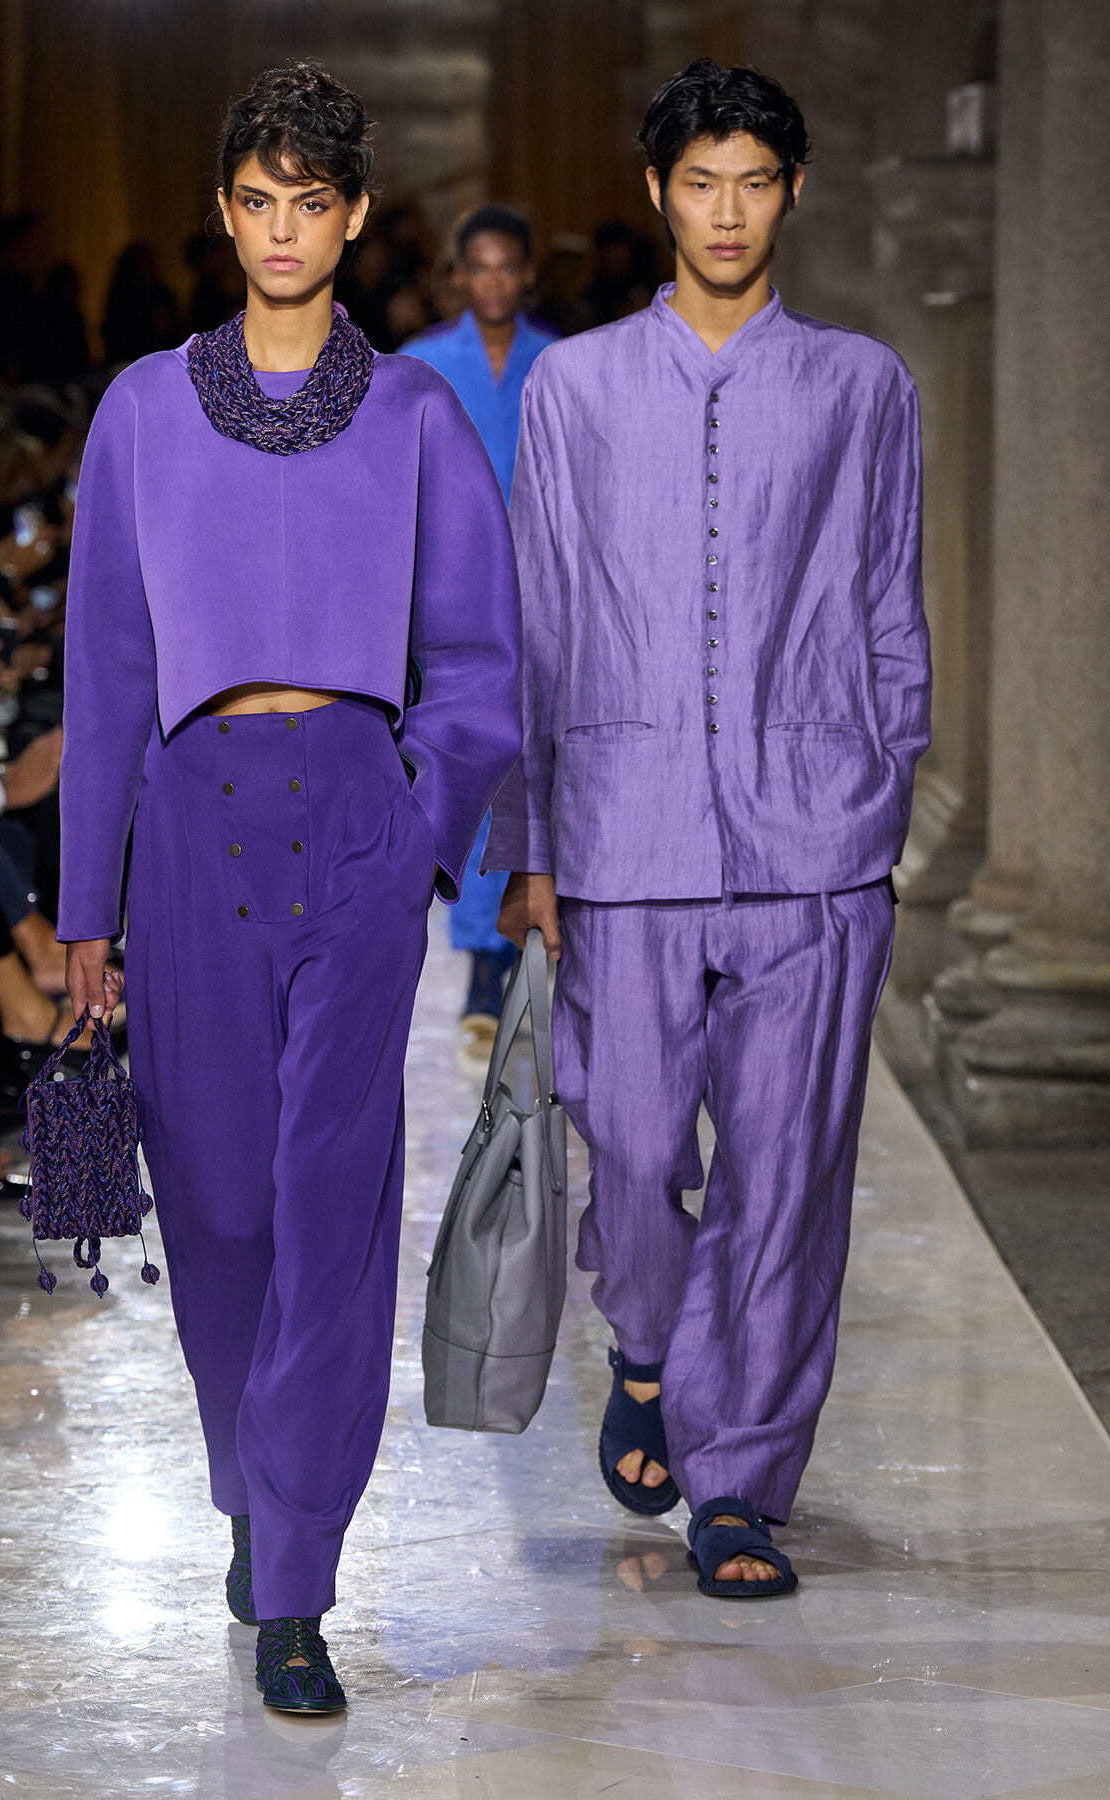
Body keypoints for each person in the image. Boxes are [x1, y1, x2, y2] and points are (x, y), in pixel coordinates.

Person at [58, 61, 519, 1711]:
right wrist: (81, 913)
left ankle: (301, 1580)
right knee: (222, 1206)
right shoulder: (136, 411)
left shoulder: (410, 419)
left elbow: (477, 659)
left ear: (354, 215)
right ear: (223, 212)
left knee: (330, 1206)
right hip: (186, 822)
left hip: (350, 821)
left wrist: (421, 827)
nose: (278, 230)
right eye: (254, 201)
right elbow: (105, 669)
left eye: (308, 202)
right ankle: (256, 1488)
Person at [490, 60, 930, 1599]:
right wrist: (527, 839)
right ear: (659, 195)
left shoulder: (865, 383)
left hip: (819, 837)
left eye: (754, 181)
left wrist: (889, 777)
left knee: (787, 1166)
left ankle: (739, 1482)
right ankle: (654, 1351)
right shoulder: (576, 386)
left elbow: (888, 601)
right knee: (624, 1138)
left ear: (790, 193)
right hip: (623, 828)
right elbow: (536, 613)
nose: (727, 210)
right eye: (701, 182)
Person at [399, 206, 555, 1034]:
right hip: (449, 590)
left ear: (526, 274)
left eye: (508, 267)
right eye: (479, 268)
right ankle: (478, 958)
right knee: (465, 755)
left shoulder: (561, 360)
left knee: (530, 757)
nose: (493, 282)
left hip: (540, 585)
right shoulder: (422, 364)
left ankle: (518, 939)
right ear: (459, 274)